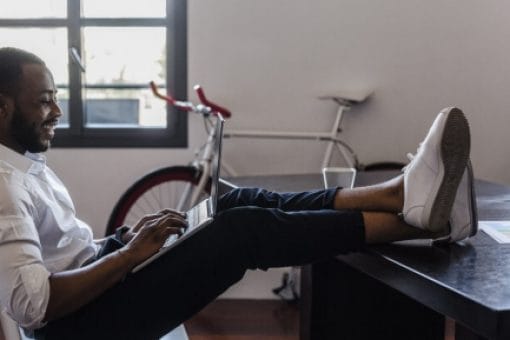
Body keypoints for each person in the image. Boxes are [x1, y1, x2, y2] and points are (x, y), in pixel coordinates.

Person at [0, 47, 476, 340]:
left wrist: (119, 244)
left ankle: (399, 193)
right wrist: (128, 258)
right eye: (43, 100)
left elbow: (62, 258)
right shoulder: (2, 185)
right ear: (2, 109)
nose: (57, 110)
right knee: (241, 231)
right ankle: (416, 217)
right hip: (80, 329)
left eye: (55, 97)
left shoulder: (26, 163)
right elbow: (36, 307)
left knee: (232, 202)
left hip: (96, 293)